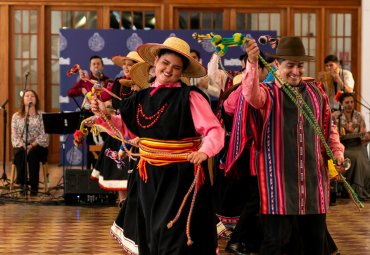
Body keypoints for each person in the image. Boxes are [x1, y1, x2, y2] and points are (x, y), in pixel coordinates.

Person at [90, 36, 225, 254]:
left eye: (176, 67)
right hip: (148, 176)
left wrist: (204, 152)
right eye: (165, 63)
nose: (169, 70)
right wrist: (102, 115)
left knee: (174, 237)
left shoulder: (190, 97)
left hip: (180, 176)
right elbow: (126, 129)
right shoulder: (140, 98)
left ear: (182, 72)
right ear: (155, 63)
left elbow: (214, 130)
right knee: (152, 236)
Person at [240, 37, 345, 255]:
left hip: (313, 182)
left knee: (315, 242)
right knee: (276, 242)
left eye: (299, 65)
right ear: (277, 65)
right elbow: (250, 95)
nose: (295, 71)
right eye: (290, 65)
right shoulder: (267, 93)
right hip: (278, 183)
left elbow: (328, 127)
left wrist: (337, 152)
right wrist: (251, 62)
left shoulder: (317, 92)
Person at [221, 53, 269, 255]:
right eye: (246, 68)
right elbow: (227, 109)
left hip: (248, 154)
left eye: (253, 67)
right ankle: (235, 241)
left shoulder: (244, 91)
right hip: (251, 155)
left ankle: (251, 241)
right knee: (256, 199)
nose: (249, 71)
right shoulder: (244, 91)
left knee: (255, 199)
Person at [90, 51, 144, 204]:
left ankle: (136, 204)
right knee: (118, 169)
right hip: (119, 129)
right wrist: (103, 111)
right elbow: (112, 107)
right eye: (124, 65)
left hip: (136, 131)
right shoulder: (118, 83)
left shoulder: (144, 86)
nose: (126, 67)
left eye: (130, 65)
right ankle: (122, 203)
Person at [67, 55, 113, 169]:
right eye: (94, 64)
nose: (96, 65)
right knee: (90, 145)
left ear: (102, 66)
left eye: (98, 63)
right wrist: (81, 89)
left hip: (104, 117)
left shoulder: (109, 81)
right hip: (89, 117)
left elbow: (105, 96)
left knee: (107, 144)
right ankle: (90, 171)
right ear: (90, 67)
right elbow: (70, 92)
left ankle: (107, 169)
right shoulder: (84, 81)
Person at [332, 92, 370, 200]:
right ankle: (350, 190)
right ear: (341, 104)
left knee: (361, 158)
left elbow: (363, 134)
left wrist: (364, 135)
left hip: (357, 145)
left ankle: (359, 190)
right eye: (347, 102)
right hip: (343, 146)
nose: (350, 104)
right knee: (355, 157)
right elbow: (332, 134)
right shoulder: (336, 116)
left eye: (352, 102)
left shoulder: (359, 116)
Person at [11, 89, 49, 196]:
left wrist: (32, 145)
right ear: (23, 100)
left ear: (36, 100)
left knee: (33, 153)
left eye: (32, 96)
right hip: (22, 145)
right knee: (19, 153)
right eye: (27, 96)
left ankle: (34, 186)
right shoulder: (16, 116)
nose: (29, 98)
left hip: (39, 146)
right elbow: (14, 135)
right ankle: (22, 184)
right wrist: (24, 145)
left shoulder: (42, 115)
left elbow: (45, 135)